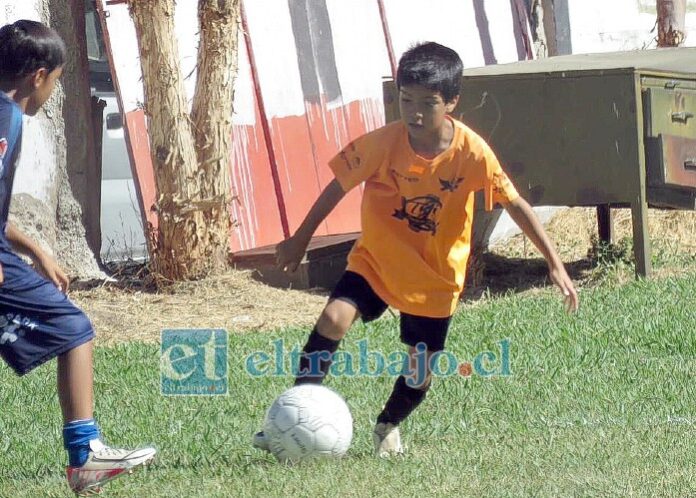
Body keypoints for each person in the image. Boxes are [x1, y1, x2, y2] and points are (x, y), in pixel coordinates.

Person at [253, 41, 578, 457]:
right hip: (378, 260)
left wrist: (555, 265)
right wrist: (299, 239)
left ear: (452, 103)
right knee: (333, 318)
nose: (415, 113)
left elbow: (516, 204)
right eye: (406, 100)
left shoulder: (472, 153)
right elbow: (336, 187)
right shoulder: (383, 144)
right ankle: (293, 415)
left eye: (428, 103)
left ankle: (388, 424)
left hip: (437, 275)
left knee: (419, 369)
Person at [0, 20, 155, 494]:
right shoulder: (4, 118)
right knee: (73, 328)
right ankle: (84, 453)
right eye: (61, 79)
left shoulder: (10, 118)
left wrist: (37, 251)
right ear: (40, 76)